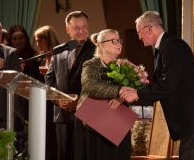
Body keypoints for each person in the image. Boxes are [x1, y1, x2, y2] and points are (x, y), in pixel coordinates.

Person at [120, 11, 194, 160]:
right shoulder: (164, 47)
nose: (139, 36)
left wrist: (138, 94)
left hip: (193, 116)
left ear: (149, 28)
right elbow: (165, 82)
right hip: (191, 116)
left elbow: (167, 84)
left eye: (139, 32)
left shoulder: (172, 46)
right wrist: (138, 91)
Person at [45, 11, 96, 160]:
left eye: (84, 27)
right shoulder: (59, 50)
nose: (81, 31)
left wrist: (79, 101)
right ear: (68, 29)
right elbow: (50, 78)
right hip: (62, 114)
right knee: (64, 155)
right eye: (76, 28)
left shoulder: (96, 50)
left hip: (86, 114)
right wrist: (57, 100)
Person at [74, 29, 131, 160]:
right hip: (95, 121)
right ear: (102, 45)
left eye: (119, 40)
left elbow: (132, 88)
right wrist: (119, 91)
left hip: (118, 119)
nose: (119, 44)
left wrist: (121, 98)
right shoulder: (91, 64)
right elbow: (90, 85)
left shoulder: (123, 66)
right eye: (114, 41)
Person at [0, 18, 23, 134]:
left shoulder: (11, 52)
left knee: (5, 148)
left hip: (5, 110)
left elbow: (17, 79)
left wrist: (4, 69)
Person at [33, 25, 60, 160]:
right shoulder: (42, 57)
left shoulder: (59, 54)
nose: (37, 44)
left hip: (56, 102)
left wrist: (48, 73)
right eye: (36, 41)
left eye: (40, 40)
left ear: (48, 39)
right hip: (44, 102)